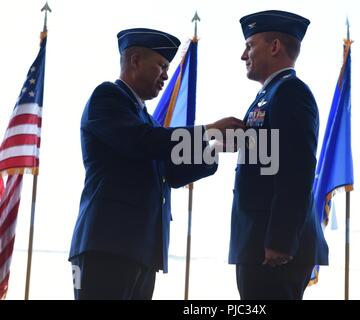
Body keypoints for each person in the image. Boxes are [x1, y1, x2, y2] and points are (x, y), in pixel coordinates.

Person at [69, 27, 244, 300]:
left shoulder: (147, 119)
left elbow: (170, 173)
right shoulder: (107, 97)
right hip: (106, 245)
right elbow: (140, 141)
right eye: (161, 66)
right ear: (135, 60)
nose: (165, 75)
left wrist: (214, 148)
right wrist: (208, 130)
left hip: (141, 249)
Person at [229, 10, 329, 300]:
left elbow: (296, 170)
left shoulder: (290, 93)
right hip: (258, 239)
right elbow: (265, 160)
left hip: (273, 247)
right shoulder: (269, 95)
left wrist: (280, 240)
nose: (243, 55)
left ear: (274, 47)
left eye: (250, 46)